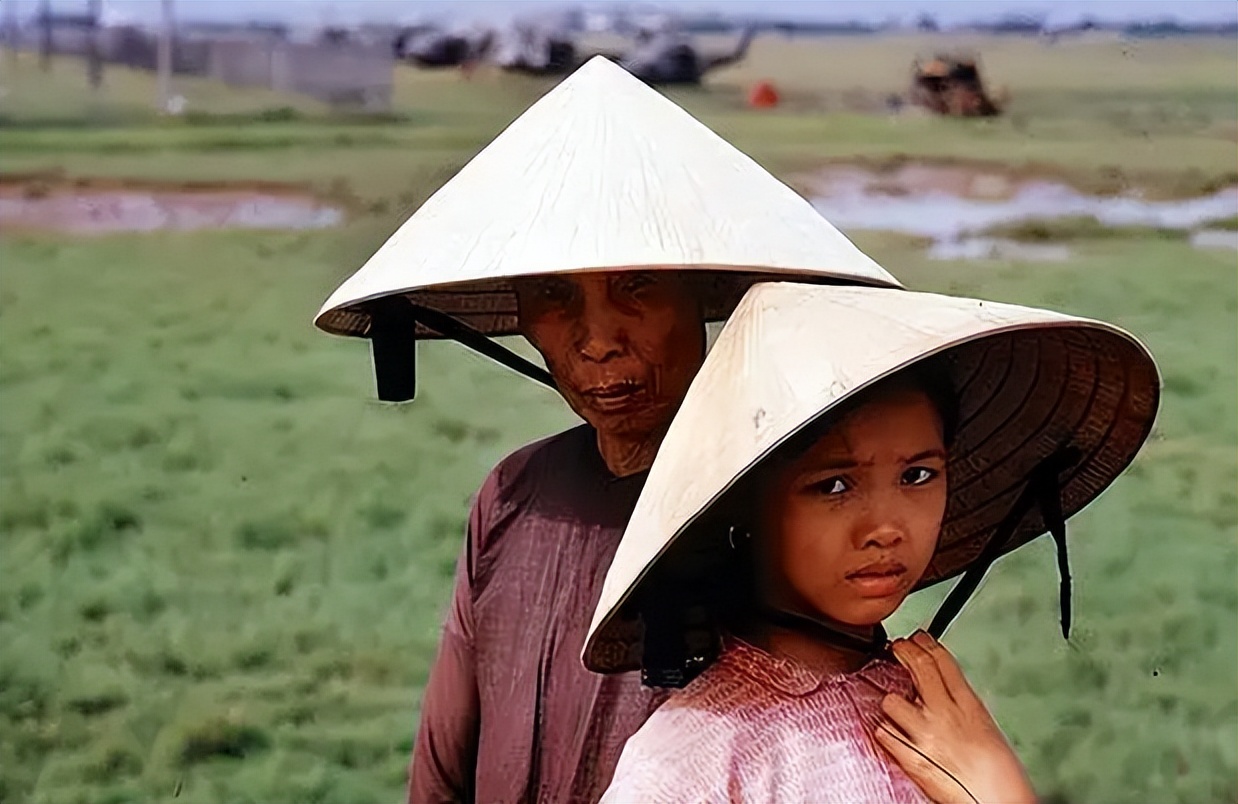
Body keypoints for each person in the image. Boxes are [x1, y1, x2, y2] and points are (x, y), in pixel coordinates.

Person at [312, 57, 901, 803]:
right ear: (521, 313)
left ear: (702, 291)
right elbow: (444, 757)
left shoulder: (777, 500)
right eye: (556, 297)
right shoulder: (515, 495)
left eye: (637, 288)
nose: (598, 341)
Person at [584, 282, 1161, 803]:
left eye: (917, 475)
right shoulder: (692, 762)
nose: (886, 528)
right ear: (744, 506)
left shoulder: (930, 703)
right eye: (833, 485)